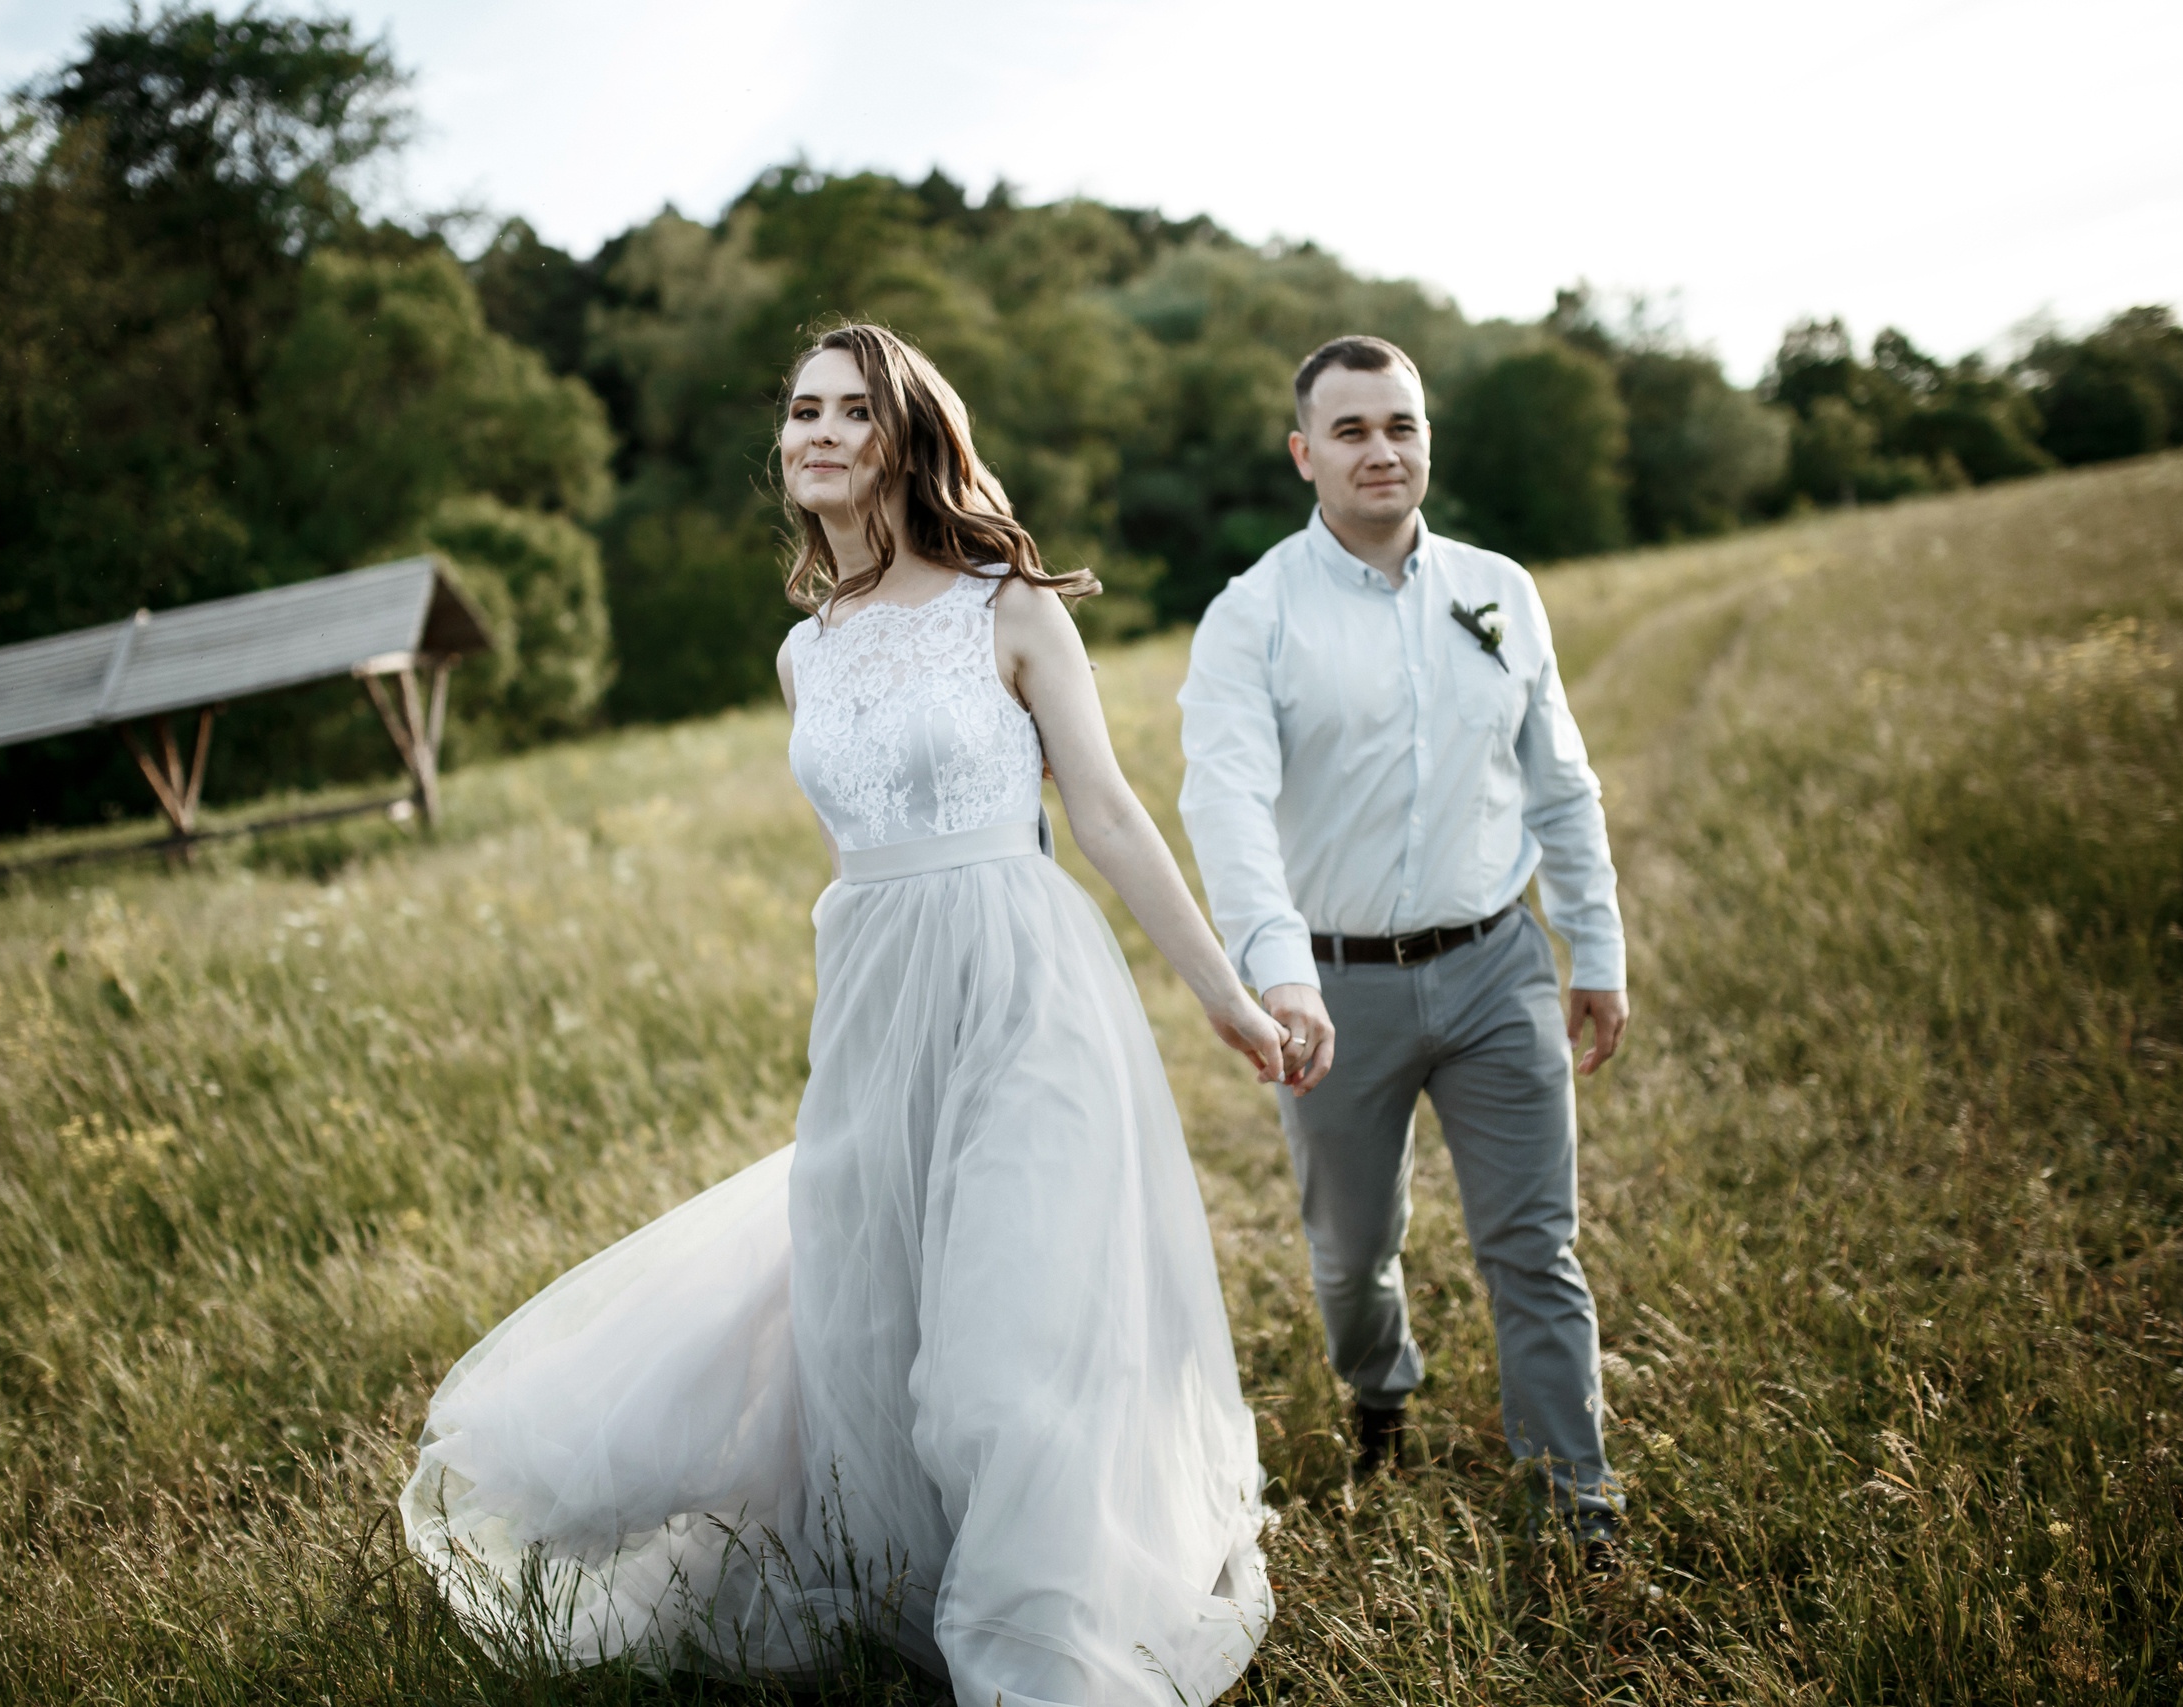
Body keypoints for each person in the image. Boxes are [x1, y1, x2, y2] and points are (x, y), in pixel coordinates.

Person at [405, 323, 1291, 1704]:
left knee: (1003, 1349)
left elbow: (1107, 814)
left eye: (851, 410)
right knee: (874, 1338)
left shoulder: (1009, 609)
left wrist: (1224, 993)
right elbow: (850, 869)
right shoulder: (801, 656)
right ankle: (916, 1594)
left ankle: (1036, 1656)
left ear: (907, 439)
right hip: (878, 1005)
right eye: (801, 410)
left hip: (1024, 986)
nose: (816, 431)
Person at [1176, 334, 1631, 1564]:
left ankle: (1576, 1507)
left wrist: (1594, 947)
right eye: (1351, 431)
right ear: (1304, 455)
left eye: (1401, 426)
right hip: (1332, 988)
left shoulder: (1499, 589)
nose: (1380, 450)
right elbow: (1224, 806)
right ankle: (1380, 1392)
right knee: (1348, 1255)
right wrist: (1280, 975)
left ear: (1426, 439)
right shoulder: (1251, 616)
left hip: (1495, 965)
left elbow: (1561, 782)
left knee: (1534, 1248)